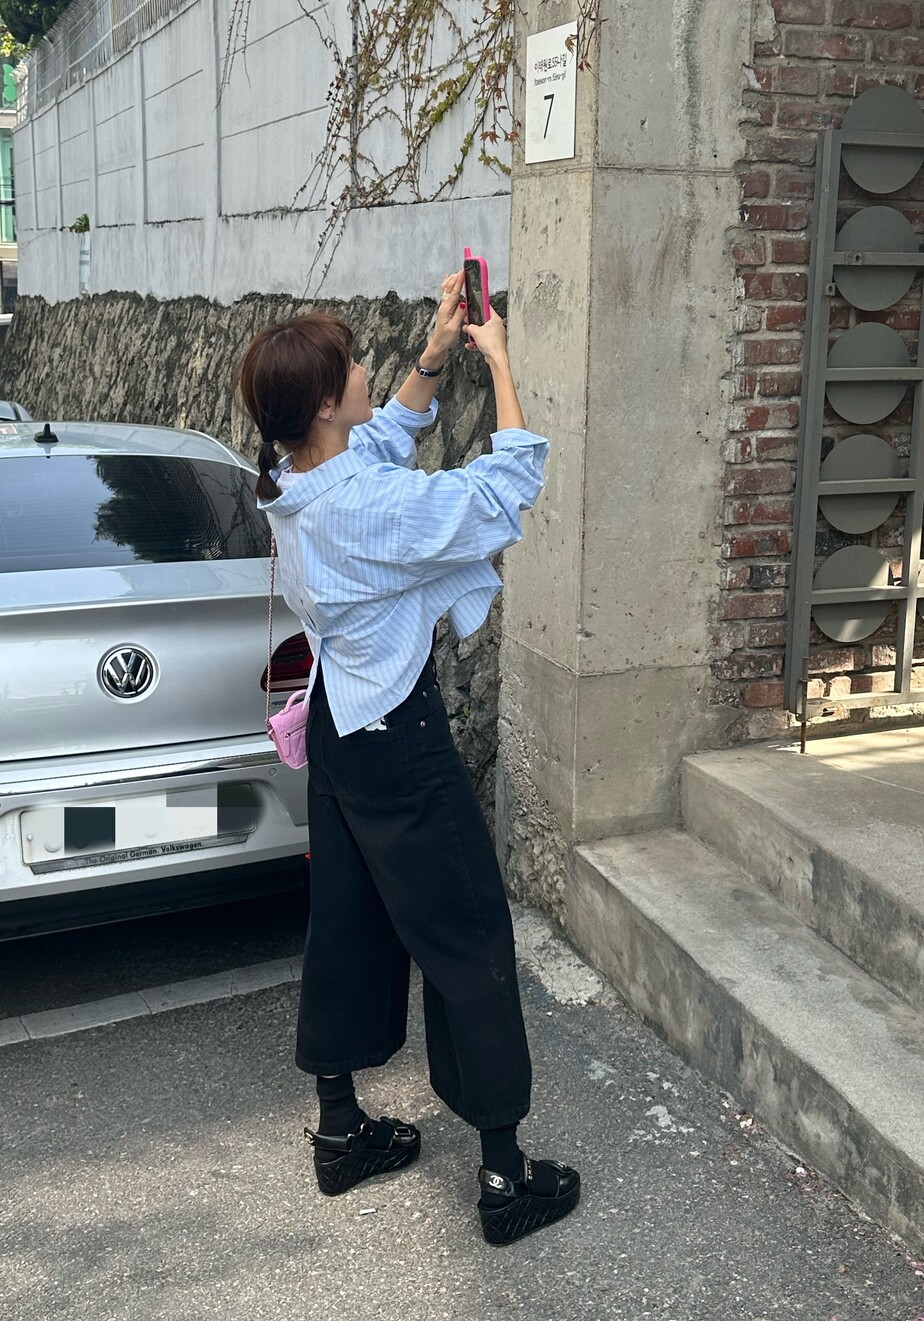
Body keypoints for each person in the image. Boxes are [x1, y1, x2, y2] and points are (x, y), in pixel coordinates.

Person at [236, 273, 580, 1246]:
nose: (363, 371)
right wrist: (499, 361)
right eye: (351, 365)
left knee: (347, 922)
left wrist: (434, 354)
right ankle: (506, 1177)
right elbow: (505, 487)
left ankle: (341, 1128)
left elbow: (380, 441)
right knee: (468, 933)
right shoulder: (365, 506)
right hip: (397, 735)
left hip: (341, 724)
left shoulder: (290, 480)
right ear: (321, 404)